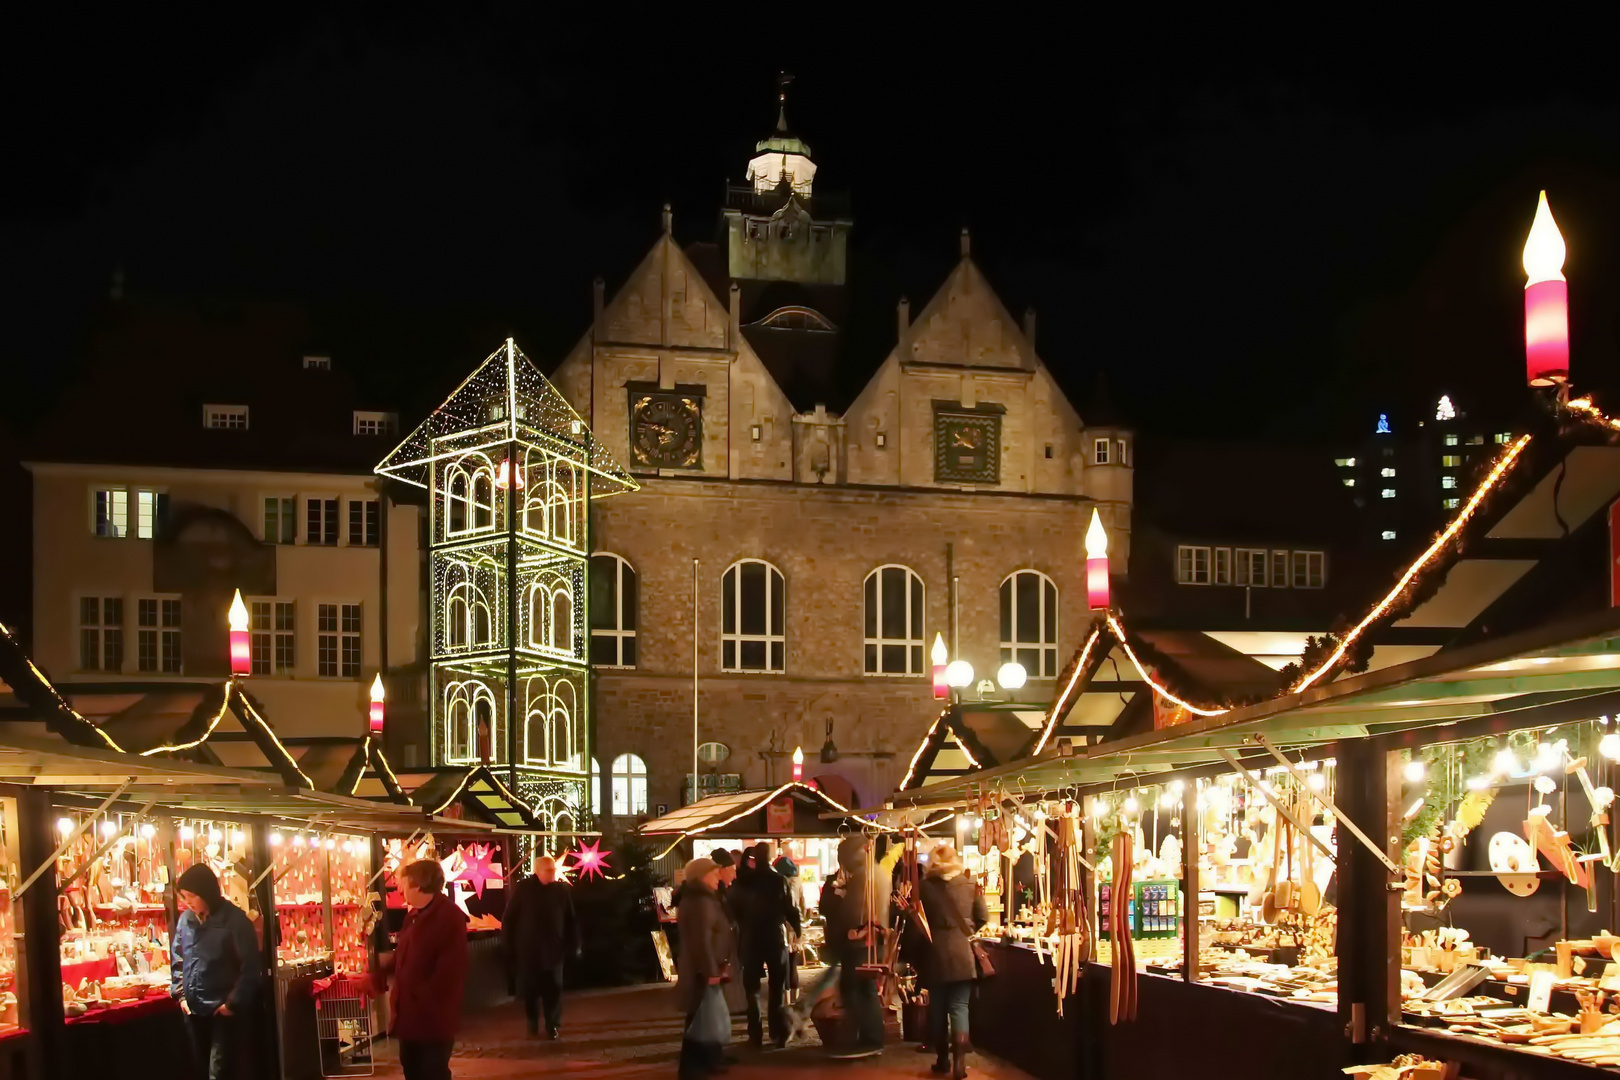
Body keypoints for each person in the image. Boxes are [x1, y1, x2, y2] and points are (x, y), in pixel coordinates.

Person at [171, 863, 263, 1080]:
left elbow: (250, 966)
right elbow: (177, 957)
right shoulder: (186, 920)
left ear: (207, 892)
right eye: (184, 897)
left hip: (222, 1011)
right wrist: (181, 994)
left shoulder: (235, 921)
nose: (188, 902)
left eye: (192, 896)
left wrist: (232, 1004)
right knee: (200, 1069)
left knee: (219, 1072)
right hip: (193, 1010)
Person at [383, 859, 469, 1080]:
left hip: (433, 1017)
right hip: (410, 1016)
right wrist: (377, 974)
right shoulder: (413, 916)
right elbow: (402, 957)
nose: (400, 890)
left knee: (432, 1072)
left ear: (418, 885)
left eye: (403, 884)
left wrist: (421, 995)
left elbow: (451, 971)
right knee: (411, 1068)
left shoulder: (449, 918)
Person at [918, 843, 987, 1079]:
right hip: (962, 953)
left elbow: (919, 922)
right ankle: (960, 1063)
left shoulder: (924, 887)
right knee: (960, 1007)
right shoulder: (969, 883)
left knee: (937, 1008)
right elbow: (983, 917)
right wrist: (965, 931)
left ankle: (942, 1060)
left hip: (935, 953)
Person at [820, 834, 891, 1058]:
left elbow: (852, 912)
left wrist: (840, 899)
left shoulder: (864, 876)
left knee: (858, 990)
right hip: (870, 940)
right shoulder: (876, 871)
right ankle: (867, 1037)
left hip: (861, 942)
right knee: (862, 989)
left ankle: (869, 1039)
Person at [503, 853, 580, 1039]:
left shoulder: (561, 890)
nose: (553, 873)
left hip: (554, 949)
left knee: (553, 988)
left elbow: (570, 919)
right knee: (530, 989)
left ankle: (552, 1024)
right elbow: (510, 918)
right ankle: (532, 1022)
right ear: (537, 871)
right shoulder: (523, 889)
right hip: (529, 950)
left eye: (554, 869)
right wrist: (509, 944)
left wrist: (574, 943)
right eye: (549, 870)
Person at [731, 842, 801, 1047]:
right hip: (774, 935)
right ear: (769, 857)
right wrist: (797, 929)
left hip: (750, 936)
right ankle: (777, 1032)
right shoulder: (779, 880)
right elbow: (791, 908)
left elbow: (733, 906)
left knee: (751, 986)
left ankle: (755, 1033)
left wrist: (742, 923)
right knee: (777, 987)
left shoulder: (743, 880)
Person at [676, 857, 733, 1080]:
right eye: (713, 873)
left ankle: (707, 1061)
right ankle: (691, 1067)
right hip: (702, 970)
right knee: (698, 1016)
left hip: (708, 967)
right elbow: (701, 939)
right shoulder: (700, 901)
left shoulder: (704, 898)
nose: (718, 877)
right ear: (701, 876)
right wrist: (710, 971)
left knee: (706, 1015)